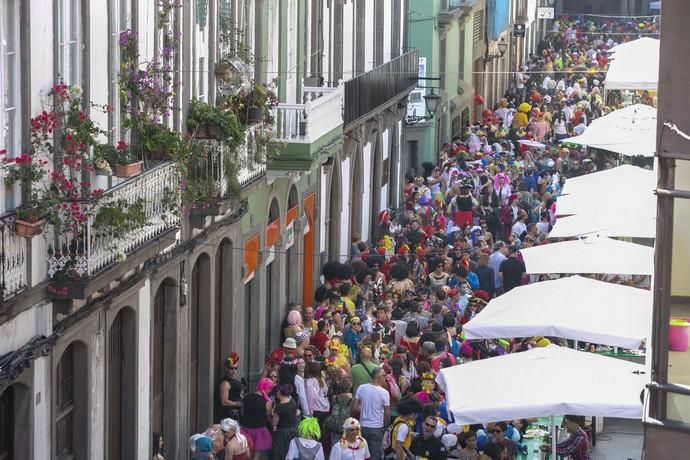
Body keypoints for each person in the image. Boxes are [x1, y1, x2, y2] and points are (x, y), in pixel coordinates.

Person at [353, 367, 391, 460]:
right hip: (377, 428)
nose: (385, 378)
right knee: (374, 455)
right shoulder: (384, 393)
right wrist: (385, 426)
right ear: (378, 377)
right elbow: (387, 414)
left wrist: (363, 412)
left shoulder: (361, 388)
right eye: (384, 375)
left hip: (362, 426)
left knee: (361, 454)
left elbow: (354, 407)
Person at [240, 378, 274, 460]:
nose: (270, 390)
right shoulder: (267, 402)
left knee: (247, 453)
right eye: (270, 388)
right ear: (265, 387)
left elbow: (242, 413)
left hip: (246, 430)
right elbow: (269, 419)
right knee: (256, 456)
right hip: (259, 431)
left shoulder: (246, 397)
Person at [270, 384, 299, 460]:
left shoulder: (279, 407)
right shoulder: (293, 402)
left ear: (279, 393)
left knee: (281, 454)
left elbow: (274, 423)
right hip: (293, 430)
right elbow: (295, 414)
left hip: (282, 433)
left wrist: (270, 413)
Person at [304, 361, 331, 427]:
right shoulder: (321, 379)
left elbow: (311, 396)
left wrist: (310, 410)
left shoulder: (309, 381)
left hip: (316, 409)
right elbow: (326, 390)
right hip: (325, 407)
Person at [219, 353, 243, 420]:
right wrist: (237, 403)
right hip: (229, 414)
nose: (234, 371)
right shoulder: (225, 383)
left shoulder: (233, 380)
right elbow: (224, 402)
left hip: (236, 413)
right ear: (226, 368)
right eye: (231, 368)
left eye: (236, 368)